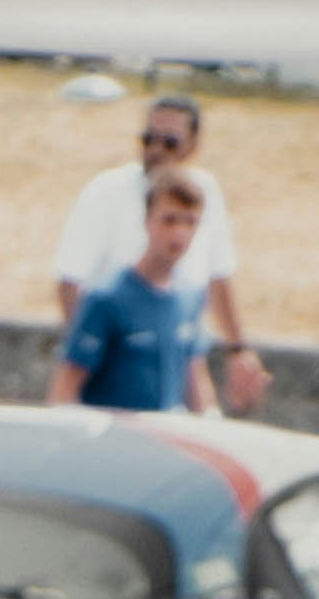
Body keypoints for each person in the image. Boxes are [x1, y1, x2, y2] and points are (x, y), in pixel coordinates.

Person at [56, 89, 268, 413]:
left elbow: (219, 277)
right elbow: (70, 282)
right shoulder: (107, 192)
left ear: (193, 146)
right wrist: (95, 349)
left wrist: (237, 349)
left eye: (169, 143)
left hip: (173, 347)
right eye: (148, 139)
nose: (155, 151)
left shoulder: (204, 192)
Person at [51, 168, 216, 413]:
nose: (179, 233)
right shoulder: (107, 298)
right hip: (119, 443)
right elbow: (64, 391)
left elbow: (196, 381)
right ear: (148, 221)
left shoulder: (190, 297)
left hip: (165, 440)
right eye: (169, 220)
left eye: (189, 222)